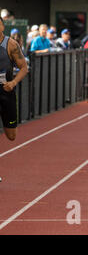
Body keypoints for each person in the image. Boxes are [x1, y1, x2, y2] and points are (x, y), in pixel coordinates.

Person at [0, 17, 29, 184]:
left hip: (6, 91)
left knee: (11, 135)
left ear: (3, 26)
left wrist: (13, 82)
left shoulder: (10, 45)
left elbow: (23, 68)